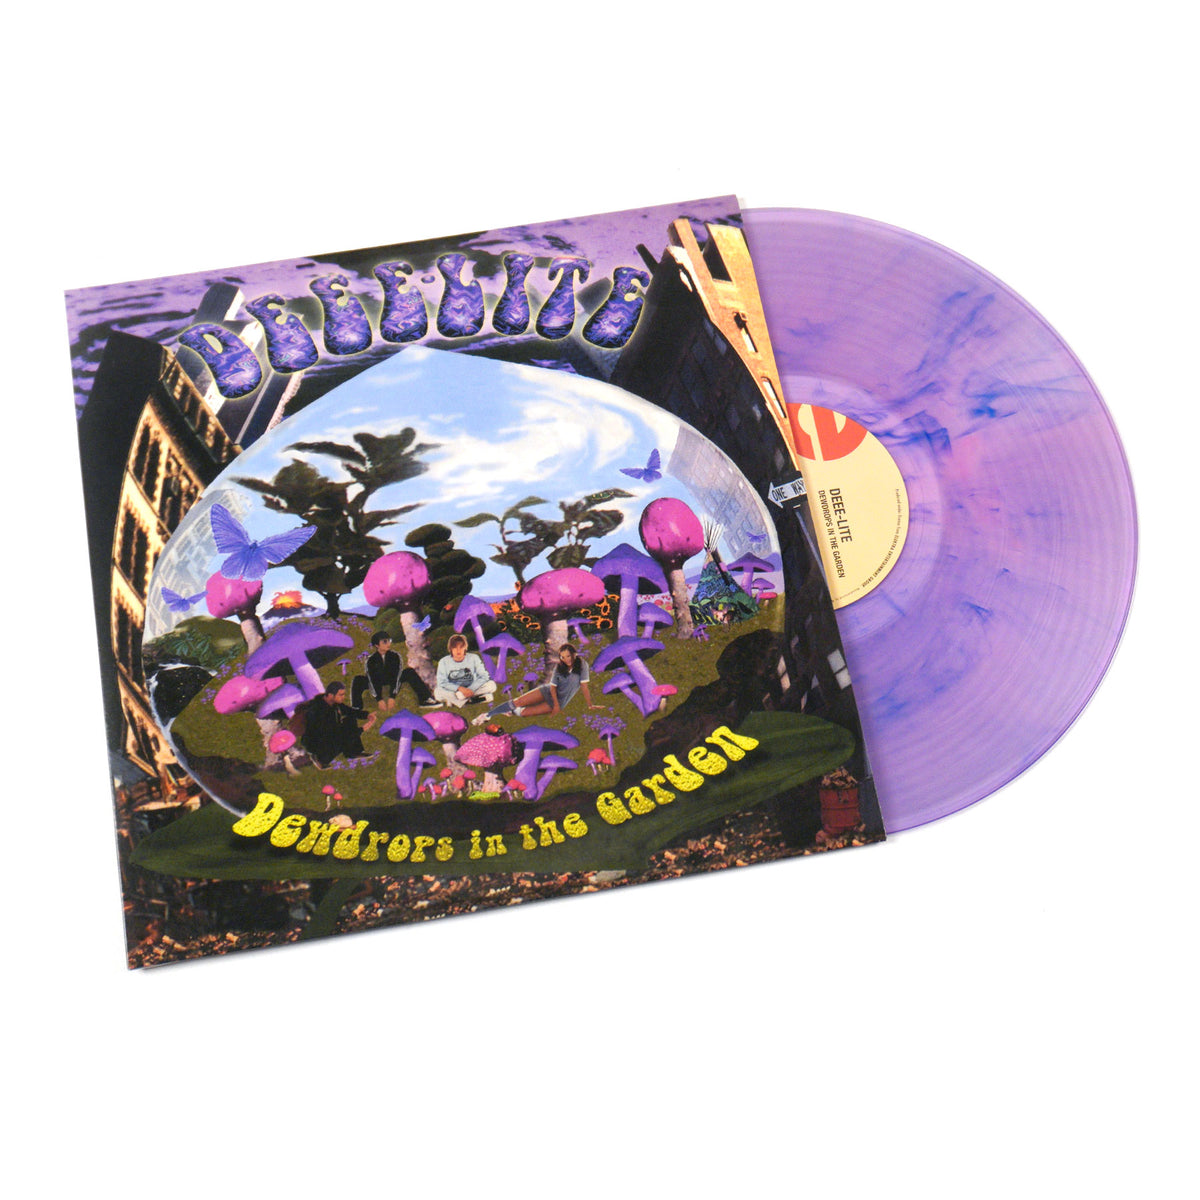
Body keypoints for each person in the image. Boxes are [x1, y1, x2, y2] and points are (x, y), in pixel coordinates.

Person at [478, 643, 601, 722]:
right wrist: (556, 705)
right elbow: (553, 687)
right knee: (518, 701)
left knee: (523, 713)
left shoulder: (582, 665)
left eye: (568, 656)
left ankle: (511, 711)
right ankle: (488, 714)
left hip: (560, 701)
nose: (565, 660)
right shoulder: (560, 667)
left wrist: (590, 704)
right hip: (548, 691)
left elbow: (584, 686)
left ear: (574, 654)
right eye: (562, 657)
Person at [300, 681, 377, 768]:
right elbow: (335, 735)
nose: (343, 697)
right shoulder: (319, 710)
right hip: (318, 742)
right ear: (330, 695)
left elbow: (349, 711)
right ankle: (320, 759)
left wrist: (367, 715)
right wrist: (361, 729)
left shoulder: (332, 703)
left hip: (329, 733)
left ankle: (352, 752)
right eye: (341, 695)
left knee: (350, 719)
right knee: (342, 737)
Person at [351, 631, 436, 710]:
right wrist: (379, 699)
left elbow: (397, 676)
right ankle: (356, 707)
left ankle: (425, 699)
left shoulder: (395, 656)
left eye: (389, 641)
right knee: (358, 679)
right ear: (377, 645)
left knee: (409, 672)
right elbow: (372, 679)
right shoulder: (371, 660)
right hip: (377, 681)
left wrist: (392, 696)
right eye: (385, 642)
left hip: (391, 678)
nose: (388, 644)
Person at [434, 634, 497, 708]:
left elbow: (484, 676)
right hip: (454, 690)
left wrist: (471, 689)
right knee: (437, 692)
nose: (458, 650)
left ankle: (456, 700)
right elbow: (442, 682)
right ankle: (472, 700)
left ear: (465, 648)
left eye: (461, 647)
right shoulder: (443, 661)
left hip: (472, 688)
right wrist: (459, 688)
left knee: (492, 685)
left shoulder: (474, 658)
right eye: (455, 648)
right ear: (450, 649)